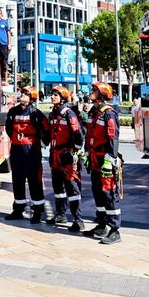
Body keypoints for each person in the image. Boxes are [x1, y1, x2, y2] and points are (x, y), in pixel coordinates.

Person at [83, 81, 123, 245]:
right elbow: (89, 134)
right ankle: (101, 224)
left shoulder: (108, 114)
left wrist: (110, 160)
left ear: (101, 94)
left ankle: (115, 230)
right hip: (94, 158)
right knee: (97, 193)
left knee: (108, 194)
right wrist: (86, 153)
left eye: (94, 90)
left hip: (105, 158)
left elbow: (113, 137)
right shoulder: (94, 112)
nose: (91, 92)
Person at [5, 87, 48, 223]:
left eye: (26, 94)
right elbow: (8, 128)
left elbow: (45, 130)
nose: (22, 95)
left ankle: (38, 212)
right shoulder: (13, 111)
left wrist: (41, 143)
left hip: (31, 150)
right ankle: (18, 209)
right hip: (17, 149)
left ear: (32, 98)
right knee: (17, 179)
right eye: (22, 93)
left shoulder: (36, 113)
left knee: (34, 181)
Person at [47, 86, 85, 232]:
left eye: (56, 95)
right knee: (58, 187)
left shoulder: (69, 114)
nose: (52, 97)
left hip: (67, 155)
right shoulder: (53, 113)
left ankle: (78, 220)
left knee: (72, 187)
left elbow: (78, 134)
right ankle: (60, 214)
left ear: (62, 97)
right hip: (55, 155)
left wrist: (75, 151)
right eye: (52, 94)